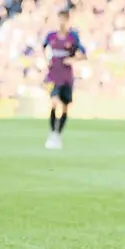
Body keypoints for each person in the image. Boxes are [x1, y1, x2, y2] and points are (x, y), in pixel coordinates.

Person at [43, 10, 86, 149]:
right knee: (54, 102)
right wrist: (47, 60)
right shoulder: (51, 36)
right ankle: (52, 133)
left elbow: (83, 54)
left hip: (66, 76)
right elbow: (43, 48)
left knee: (65, 107)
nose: (61, 22)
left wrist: (72, 59)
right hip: (53, 74)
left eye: (64, 20)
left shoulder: (73, 37)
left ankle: (58, 134)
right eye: (59, 19)